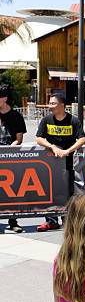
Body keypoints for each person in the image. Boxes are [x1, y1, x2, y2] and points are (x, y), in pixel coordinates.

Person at [36, 93, 85, 231]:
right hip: (50, 163)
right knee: (50, 191)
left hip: (68, 162)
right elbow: (39, 138)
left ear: (62, 105)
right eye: (50, 103)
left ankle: (67, 220)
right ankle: (51, 220)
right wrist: (52, 146)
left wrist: (67, 151)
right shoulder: (46, 120)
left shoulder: (73, 121)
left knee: (68, 192)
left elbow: (82, 139)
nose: (49, 106)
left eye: (53, 103)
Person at [0, 84, 27, 233]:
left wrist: (10, 148)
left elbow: (19, 138)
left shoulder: (16, 116)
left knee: (11, 190)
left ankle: (13, 220)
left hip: (10, 156)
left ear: (4, 98)